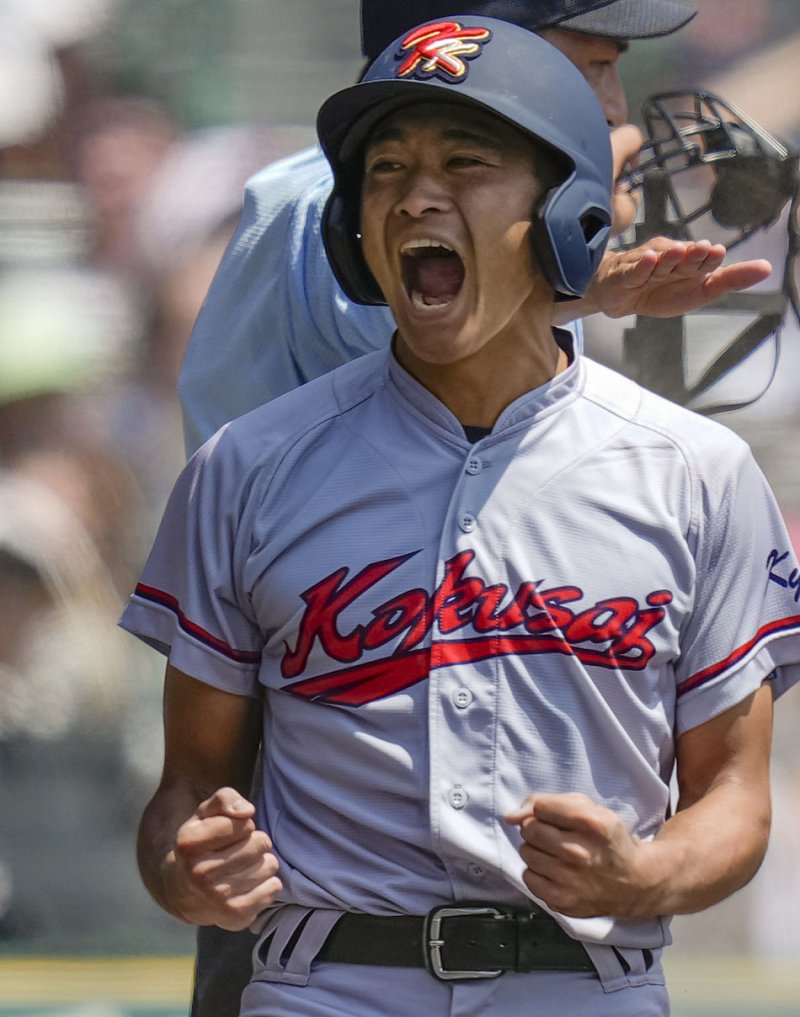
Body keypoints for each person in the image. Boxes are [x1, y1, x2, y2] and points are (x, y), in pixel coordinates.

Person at [121, 15, 800, 1017]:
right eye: (385, 169)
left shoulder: (692, 471)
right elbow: (186, 794)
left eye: (465, 160)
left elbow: (733, 798)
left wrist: (648, 877)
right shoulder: (251, 455)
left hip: (586, 983)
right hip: (322, 974)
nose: (413, 195)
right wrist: (182, 865)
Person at [177, 0, 774, 457]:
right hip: (316, 596)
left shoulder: (360, 184)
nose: (615, 107)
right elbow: (423, 333)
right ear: (468, 53)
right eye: (595, 65)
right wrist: (585, 282)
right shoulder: (341, 202)